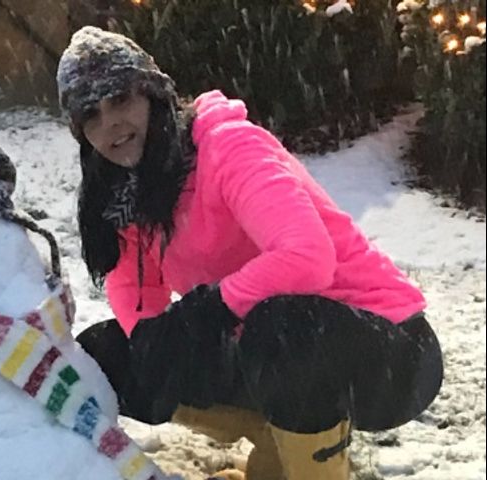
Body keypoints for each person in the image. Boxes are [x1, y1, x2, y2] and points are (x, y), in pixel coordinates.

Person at [57, 26, 443, 480]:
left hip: (390, 349)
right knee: (107, 353)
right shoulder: (127, 191)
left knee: (283, 327)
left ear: (153, 95)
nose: (111, 124)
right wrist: (152, 343)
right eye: (91, 115)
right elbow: (134, 286)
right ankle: (277, 447)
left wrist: (207, 310)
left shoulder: (228, 146)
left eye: (121, 100)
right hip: (262, 349)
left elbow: (306, 257)